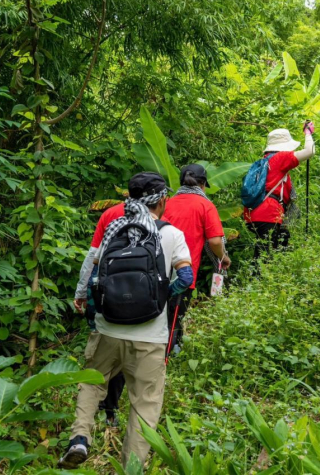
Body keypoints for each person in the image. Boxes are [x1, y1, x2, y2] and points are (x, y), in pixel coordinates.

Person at [60, 172, 193, 469]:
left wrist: (81, 296)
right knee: (144, 403)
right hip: (150, 336)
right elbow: (186, 277)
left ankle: (80, 438)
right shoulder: (171, 234)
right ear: (161, 200)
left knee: (92, 383)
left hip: (109, 329)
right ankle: (131, 466)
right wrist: (162, 297)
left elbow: (91, 271)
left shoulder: (113, 229)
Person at [163, 164, 231, 353]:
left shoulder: (166, 202)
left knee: (161, 314)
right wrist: (223, 257)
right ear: (202, 185)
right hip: (183, 272)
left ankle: (167, 349)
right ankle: (167, 357)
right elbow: (215, 241)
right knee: (175, 316)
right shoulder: (205, 205)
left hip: (157, 269)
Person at [73, 202, 126, 427]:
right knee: (123, 353)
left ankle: (88, 415)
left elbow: (92, 257)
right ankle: (110, 411)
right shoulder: (160, 218)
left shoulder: (112, 213)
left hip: (103, 298)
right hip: (138, 306)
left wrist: (81, 291)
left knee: (97, 354)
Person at [243, 123, 314, 260]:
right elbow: (309, 151)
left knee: (270, 250)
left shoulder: (265, 161)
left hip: (254, 213)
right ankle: (257, 280)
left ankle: (262, 278)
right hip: (268, 213)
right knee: (264, 258)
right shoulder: (279, 158)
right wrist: (308, 133)